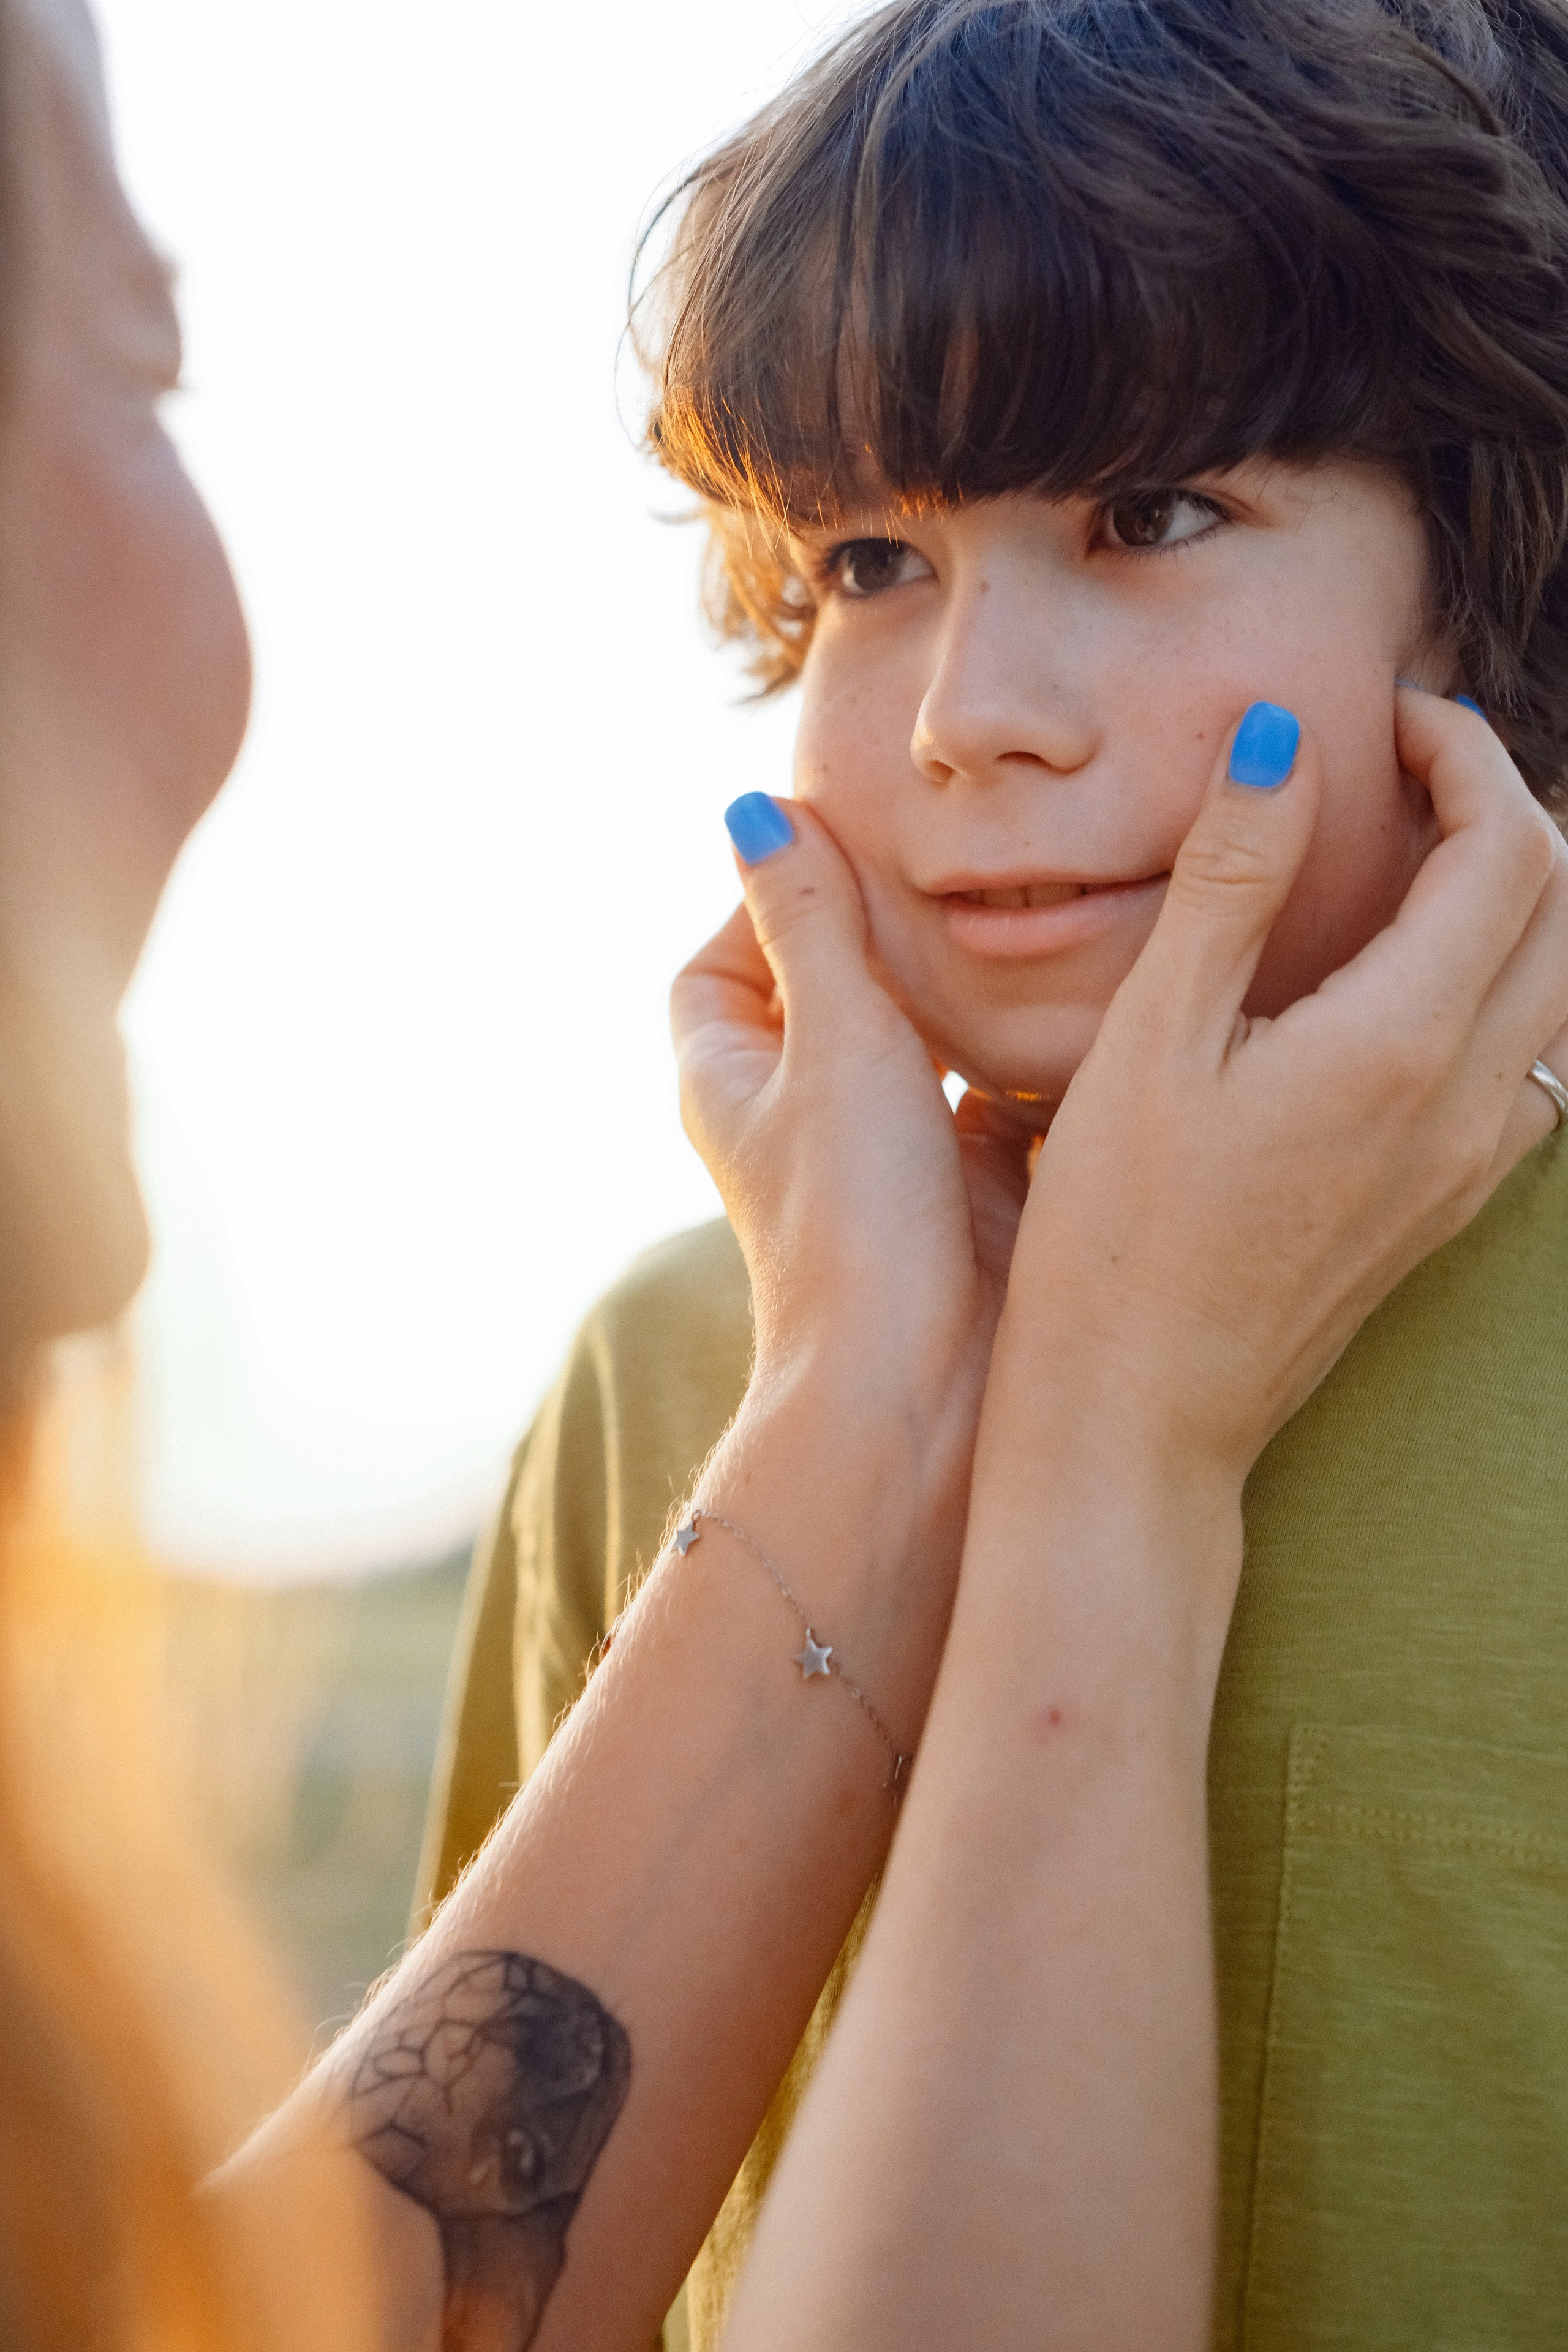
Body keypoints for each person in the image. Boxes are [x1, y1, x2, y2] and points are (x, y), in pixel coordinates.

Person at [0, 2, 1561, 2351]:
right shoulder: (685, 1370)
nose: (968, 713)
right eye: (865, 556)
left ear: (1499, 572)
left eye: (1152, 514)